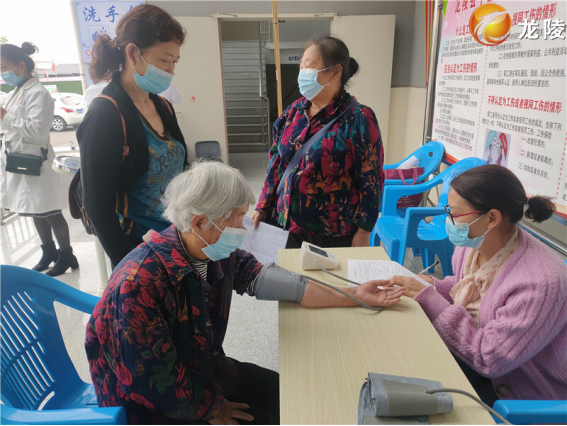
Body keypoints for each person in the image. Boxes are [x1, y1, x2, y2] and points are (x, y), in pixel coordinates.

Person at [85, 161, 404, 425]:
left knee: (289, 397)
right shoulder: (139, 285)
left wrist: (355, 294)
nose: (245, 227)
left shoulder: (212, 250)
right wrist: (213, 409)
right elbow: (153, 383)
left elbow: (270, 280)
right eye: (238, 218)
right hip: (156, 408)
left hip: (202, 370)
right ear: (200, 222)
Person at [384, 165, 567, 404]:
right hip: (480, 359)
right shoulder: (474, 245)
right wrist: (433, 285)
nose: (448, 220)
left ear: (492, 218)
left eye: (454, 214)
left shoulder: (540, 282)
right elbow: (468, 287)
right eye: (448, 210)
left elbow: (489, 359)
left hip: (519, 390)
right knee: (398, 349)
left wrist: (429, 298)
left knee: (409, 388)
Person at [77, 4, 188, 268]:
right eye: (164, 60)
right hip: (138, 250)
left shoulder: (163, 105)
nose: (171, 70)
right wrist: (126, 263)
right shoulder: (104, 115)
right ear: (132, 53)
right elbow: (97, 204)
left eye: (175, 61)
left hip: (176, 240)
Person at [252, 36, 384, 249]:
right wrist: (262, 205)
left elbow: (371, 179)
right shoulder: (293, 112)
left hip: (332, 234)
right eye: (301, 66)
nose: (302, 73)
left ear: (335, 72)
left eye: (309, 66)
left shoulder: (359, 118)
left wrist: (364, 231)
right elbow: (276, 162)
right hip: (285, 225)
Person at [0, 42, 78, 276]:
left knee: (50, 211)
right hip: (19, 160)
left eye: (4, 67)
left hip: (37, 162)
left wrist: (6, 117)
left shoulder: (38, 93)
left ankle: (66, 255)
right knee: (34, 210)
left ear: (21, 65)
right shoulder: (16, 93)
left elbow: (39, 131)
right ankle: (49, 252)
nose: (2, 74)